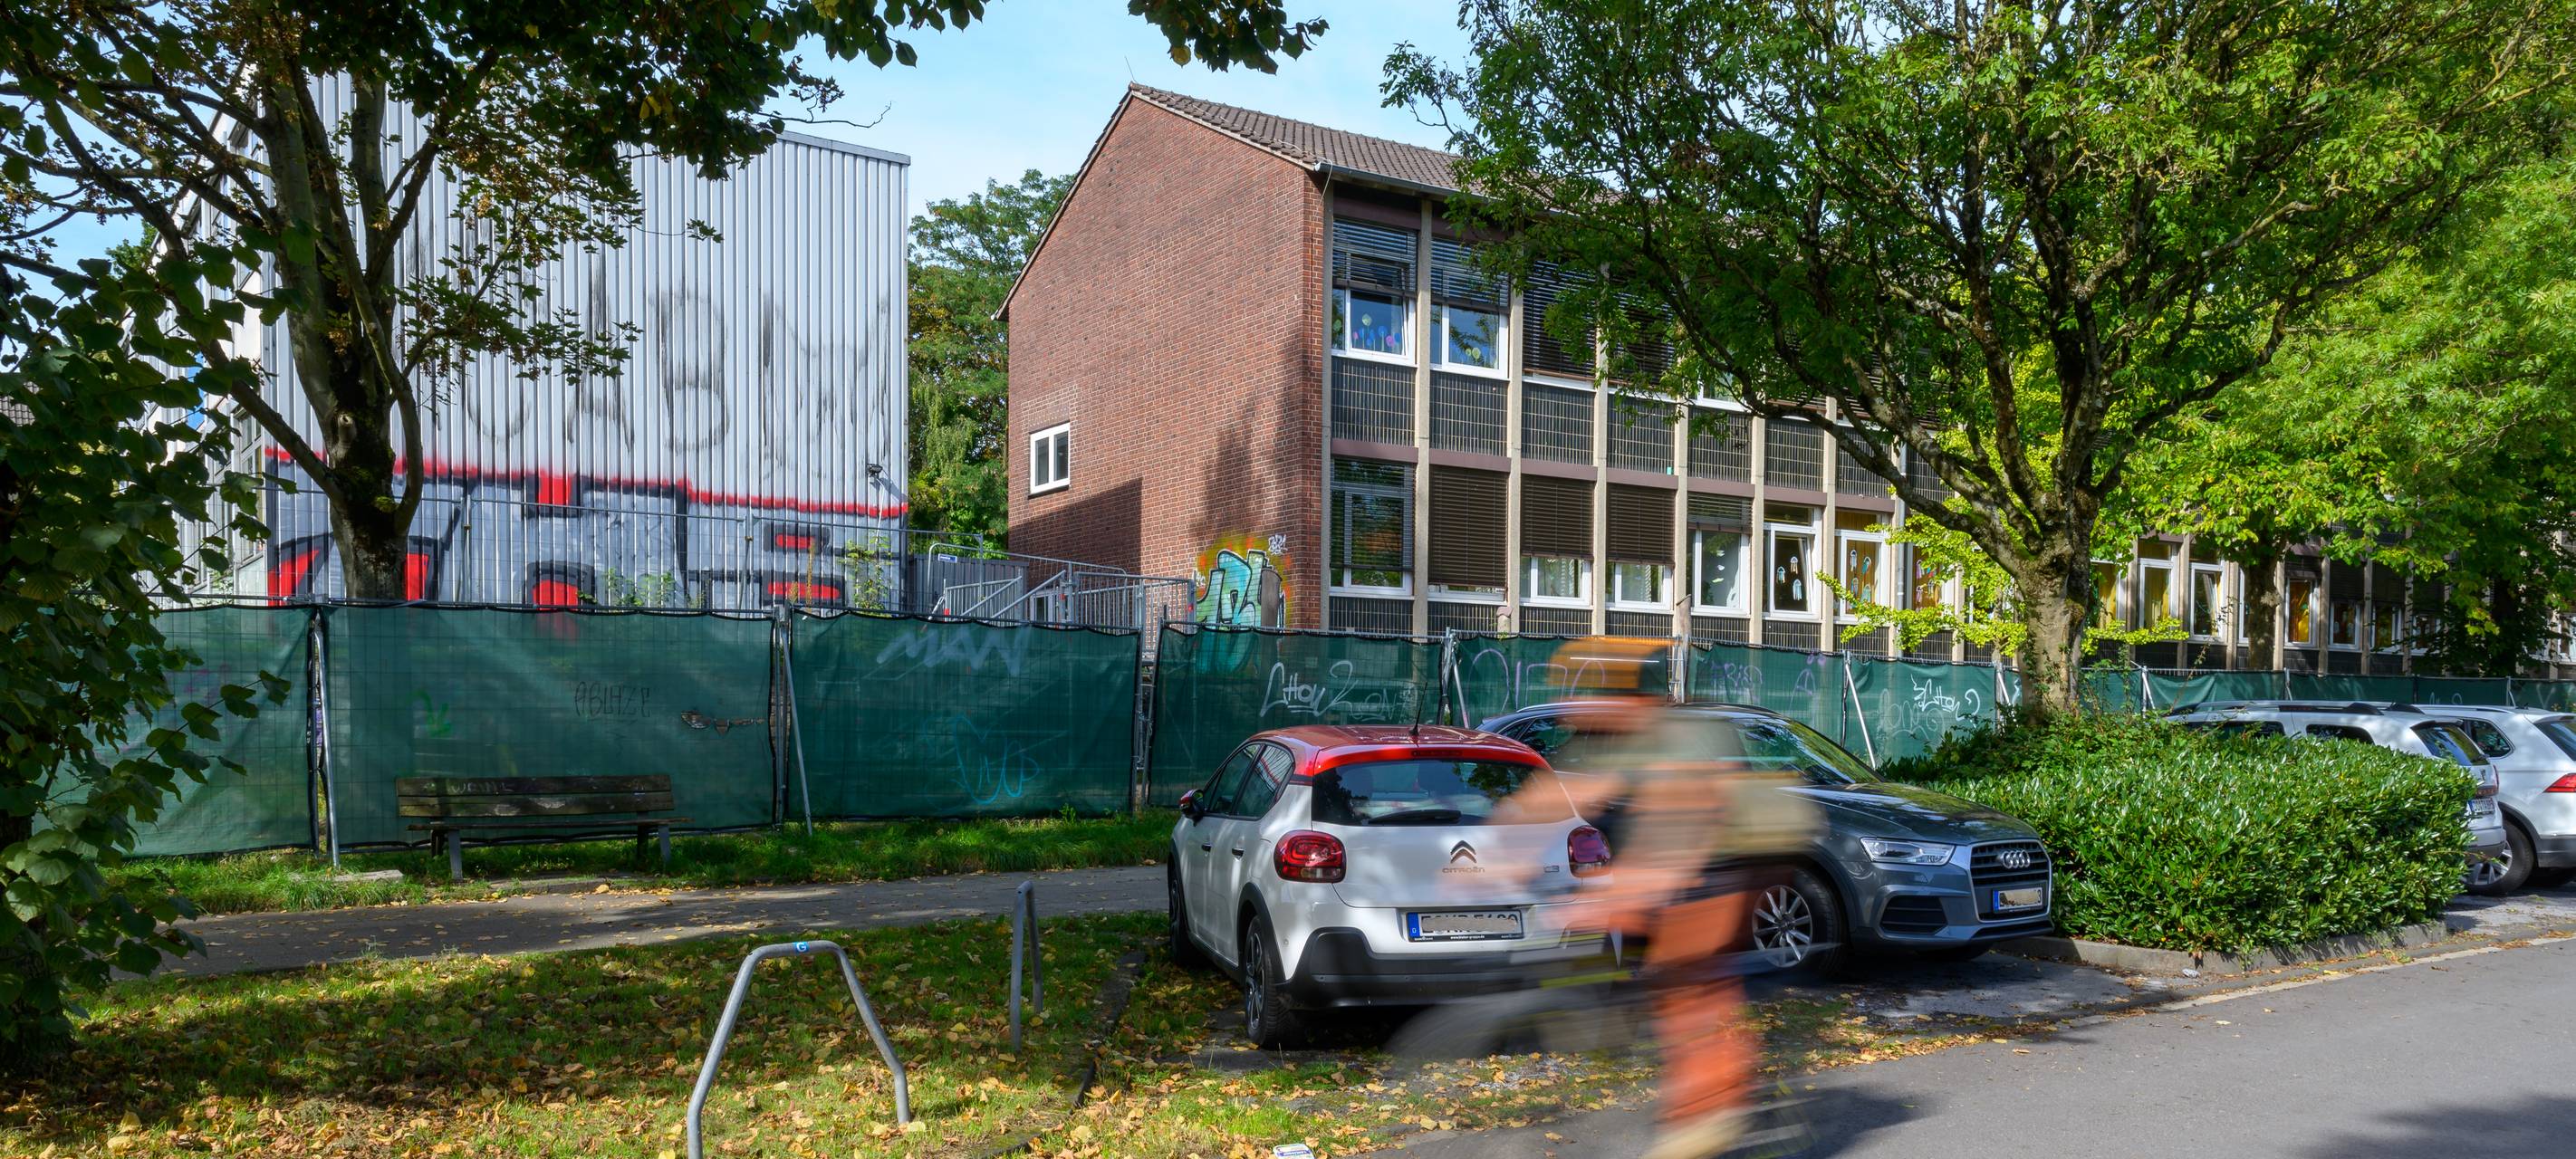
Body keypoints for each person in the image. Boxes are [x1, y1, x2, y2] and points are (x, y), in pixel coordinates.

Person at [1509, 637, 1818, 1159]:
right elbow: (1553, 797)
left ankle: (1710, 1115)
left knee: (1687, 988)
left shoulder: (1681, 745)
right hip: (1681, 863)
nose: (1575, 708)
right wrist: (1486, 856)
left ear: (1630, 697)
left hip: (1729, 869)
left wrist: (1615, 896)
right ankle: (1704, 1097)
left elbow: (1676, 847)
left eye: (1590, 695)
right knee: (1661, 980)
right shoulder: (1605, 736)